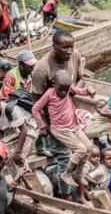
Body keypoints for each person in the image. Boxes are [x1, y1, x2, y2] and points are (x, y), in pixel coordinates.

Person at [32, 30, 86, 199]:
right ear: (54, 46)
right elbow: (37, 104)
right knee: (64, 157)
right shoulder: (42, 69)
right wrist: (45, 128)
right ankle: (65, 198)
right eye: (64, 48)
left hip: (71, 118)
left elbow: (80, 79)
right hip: (54, 123)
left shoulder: (74, 55)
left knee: (85, 151)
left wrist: (74, 91)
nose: (69, 51)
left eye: (71, 47)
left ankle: (78, 186)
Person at [32, 70, 95, 205]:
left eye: (66, 90)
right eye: (60, 89)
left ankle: (78, 173)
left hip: (73, 126)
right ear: (54, 84)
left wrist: (89, 90)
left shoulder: (68, 89)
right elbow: (35, 109)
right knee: (80, 149)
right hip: (60, 130)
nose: (63, 92)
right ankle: (66, 174)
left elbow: (81, 92)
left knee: (89, 147)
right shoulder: (49, 93)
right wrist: (41, 125)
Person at [0, 88, 37, 180]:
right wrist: (2, 148)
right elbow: (0, 131)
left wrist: (18, 151)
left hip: (27, 130)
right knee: (5, 157)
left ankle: (30, 182)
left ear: (0, 100)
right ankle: (17, 182)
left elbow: (24, 130)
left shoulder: (11, 110)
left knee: (18, 158)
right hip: (12, 134)